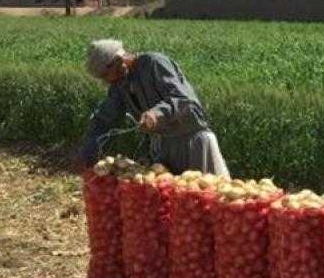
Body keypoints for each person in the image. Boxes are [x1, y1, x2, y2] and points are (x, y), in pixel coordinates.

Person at [77, 39, 230, 177]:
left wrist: (156, 114)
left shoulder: (154, 63)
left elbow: (184, 100)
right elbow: (104, 118)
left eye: (105, 75)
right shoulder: (120, 84)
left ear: (118, 61)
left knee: (205, 199)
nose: (106, 81)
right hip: (162, 147)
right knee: (171, 202)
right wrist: (87, 152)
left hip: (192, 142)